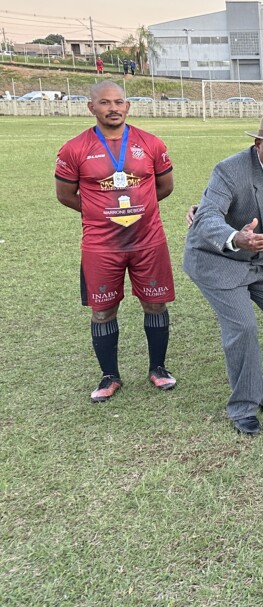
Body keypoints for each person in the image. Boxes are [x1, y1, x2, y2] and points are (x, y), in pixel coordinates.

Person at [183, 117, 263, 436]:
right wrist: (236, 238)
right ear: (258, 145)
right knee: (242, 326)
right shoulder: (230, 170)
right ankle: (243, 407)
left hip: (260, 262)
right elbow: (207, 215)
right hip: (218, 260)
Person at [55, 80, 176, 403]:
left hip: (148, 240)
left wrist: (138, 210)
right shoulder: (74, 148)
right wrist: (101, 212)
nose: (113, 108)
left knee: (155, 304)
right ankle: (109, 375)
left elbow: (165, 187)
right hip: (101, 245)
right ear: (91, 107)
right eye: (105, 103)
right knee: (103, 310)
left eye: (119, 102)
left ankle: (158, 368)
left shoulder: (150, 143)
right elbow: (65, 195)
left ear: (128, 106)